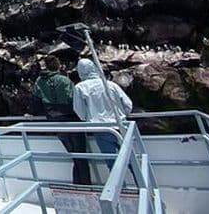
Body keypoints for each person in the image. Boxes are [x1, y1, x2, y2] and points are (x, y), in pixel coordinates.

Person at [30, 56, 91, 185]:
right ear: (58, 66)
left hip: (54, 121)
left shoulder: (39, 82)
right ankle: (85, 186)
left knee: (74, 155)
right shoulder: (64, 80)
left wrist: (34, 113)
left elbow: (35, 102)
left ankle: (78, 185)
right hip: (71, 119)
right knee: (81, 155)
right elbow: (72, 99)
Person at [73, 58, 134, 171]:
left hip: (100, 129)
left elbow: (79, 111)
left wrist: (89, 118)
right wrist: (122, 115)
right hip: (121, 126)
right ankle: (142, 186)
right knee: (132, 160)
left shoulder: (80, 88)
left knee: (112, 164)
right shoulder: (111, 85)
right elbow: (128, 104)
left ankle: (119, 188)